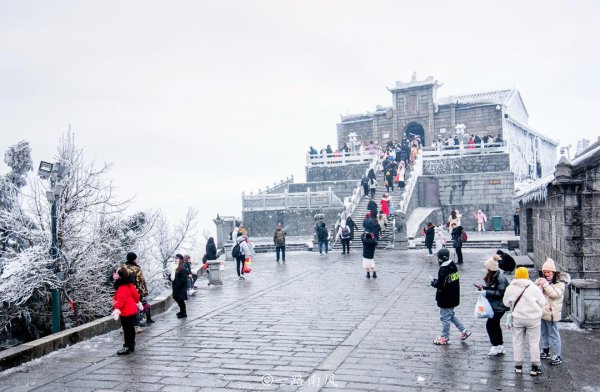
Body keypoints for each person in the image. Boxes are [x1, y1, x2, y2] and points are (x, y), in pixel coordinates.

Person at [503, 267, 548, 376]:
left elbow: (506, 303)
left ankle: (518, 366)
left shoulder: (510, 288)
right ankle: (535, 367)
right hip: (533, 319)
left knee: (518, 341)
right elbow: (543, 302)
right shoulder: (533, 288)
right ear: (527, 275)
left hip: (518, 318)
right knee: (534, 342)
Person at [431, 248, 471, 345]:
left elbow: (441, 284)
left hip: (446, 298)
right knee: (451, 316)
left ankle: (445, 337)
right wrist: (438, 281)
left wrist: (434, 283)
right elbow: (447, 281)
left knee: (445, 318)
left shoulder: (443, 269)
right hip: (453, 296)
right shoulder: (452, 266)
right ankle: (464, 330)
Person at [535, 258, 570, 366]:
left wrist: (545, 285)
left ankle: (557, 355)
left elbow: (554, 295)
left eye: (548, 272)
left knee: (554, 335)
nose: (546, 274)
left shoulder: (560, 283)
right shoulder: (541, 280)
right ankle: (545, 350)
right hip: (542, 312)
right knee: (544, 333)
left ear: (553, 272)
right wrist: (538, 286)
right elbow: (535, 293)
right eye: (544, 272)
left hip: (551, 313)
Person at [475, 255, 510, 356]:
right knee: (495, 325)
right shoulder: (494, 276)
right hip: (495, 305)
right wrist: (484, 288)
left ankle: (495, 346)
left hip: (499, 306)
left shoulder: (500, 279)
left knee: (490, 325)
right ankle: (499, 346)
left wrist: (486, 292)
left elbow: (500, 293)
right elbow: (494, 289)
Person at [112, 266, 141, 355]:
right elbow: (136, 295)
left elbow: (121, 300)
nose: (114, 275)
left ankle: (127, 346)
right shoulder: (130, 284)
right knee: (131, 328)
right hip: (132, 309)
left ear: (119, 276)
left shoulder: (121, 287)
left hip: (125, 311)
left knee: (126, 329)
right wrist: (138, 303)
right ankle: (131, 345)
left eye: (116, 273)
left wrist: (117, 309)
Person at [123, 252, 150, 330]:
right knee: (135, 309)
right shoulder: (137, 269)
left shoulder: (122, 268)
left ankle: (125, 327)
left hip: (124, 292)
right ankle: (135, 326)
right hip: (135, 292)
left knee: (126, 308)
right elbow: (141, 281)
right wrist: (144, 292)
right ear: (134, 259)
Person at [171, 254, 188, 318]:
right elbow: (173, 277)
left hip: (180, 287)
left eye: (177, 258)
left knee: (180, 299)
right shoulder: (175, 267)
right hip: (176, 286)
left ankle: (184, 312)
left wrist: (178, 285)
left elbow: (183, 279)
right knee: (177, 298)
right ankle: (182, 311)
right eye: (175, 258)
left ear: (180, 260)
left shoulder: (182, 268)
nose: (175, 259)